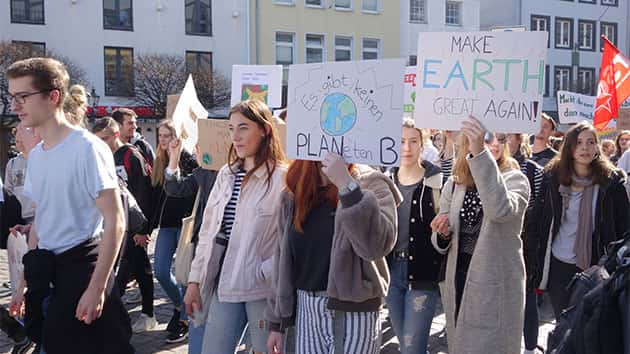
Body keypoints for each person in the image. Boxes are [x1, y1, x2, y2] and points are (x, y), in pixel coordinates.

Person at [7, 57, 132, 353]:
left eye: (23, 96)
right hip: (48, 272)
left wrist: (97, 288)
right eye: (12, 97)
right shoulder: (36, 156)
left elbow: (116, 221)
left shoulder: (88, 149)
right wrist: (25, 282)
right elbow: (42, 219)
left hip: (83, 271)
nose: (15, 106)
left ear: (53, 97)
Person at [265, 153, 399, 354]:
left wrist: (347, 186)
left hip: (356, 311)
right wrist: (277, 322)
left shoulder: (372, 183)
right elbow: (282, 261)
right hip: (307, 309)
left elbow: (376, 247)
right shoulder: (295, 190)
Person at [183, 100, 286, 354]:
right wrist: (195, 280)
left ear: (264, 130)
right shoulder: (226, 175)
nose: (235, 137)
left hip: (262, 288)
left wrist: (267, 269)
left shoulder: (283, 178)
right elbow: (208, 231)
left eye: (243, 128)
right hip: (224, 282)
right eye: (231, 129)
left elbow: (290, 238)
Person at [430, 116, 530, 354]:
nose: (495, 143)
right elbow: (440, 243)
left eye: (501, 138)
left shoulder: (516, 180)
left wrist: (479, 152)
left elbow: (499, 210)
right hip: (459, 279)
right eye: (487, 137)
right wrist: (442, 234)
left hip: (495, 285)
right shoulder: (454, 184)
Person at [529, 121, 630, 319]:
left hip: (596, 267)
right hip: (559, 264)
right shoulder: (552, 178)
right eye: (579, 142)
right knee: (563, 324)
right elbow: (537, 221)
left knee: (588, 328)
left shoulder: (612, 182)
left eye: (591, 142)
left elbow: (624, 226)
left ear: (597, 147)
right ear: (569, 147)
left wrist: (611, 264)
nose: (585, 147)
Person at [91, 117, 157, 333]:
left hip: (133, 226)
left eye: (105, 138)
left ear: (116, 135)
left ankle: (148, 314)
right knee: (119, 270)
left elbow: (144, 193)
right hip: (113, 225)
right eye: (97, 139)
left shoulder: (131, 156)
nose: (101, 143)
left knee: (141, 267)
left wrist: (143, 230)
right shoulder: (101, 157)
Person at [386, 118, 442, 354]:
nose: (406, 148)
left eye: (413, 141)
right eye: (400, 142)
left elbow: (445, 238)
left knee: (411, 349)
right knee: (405, 342)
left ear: (423, 144)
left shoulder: (436, 181)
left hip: (422, 273)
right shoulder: (385, 179)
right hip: (391, 274)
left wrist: (444, 234)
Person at [163, 138, 217, 354]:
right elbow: (175, 188)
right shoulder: (205, 172)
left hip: (235, 259)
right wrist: (174, 158)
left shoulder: (243, 172)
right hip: (203, 253)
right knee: (199, 318)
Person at [150, 119, 197, 343]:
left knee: (183, 274)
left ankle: (185, 320)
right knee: (160, 271)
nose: (162, 140)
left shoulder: (188, 159)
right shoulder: (159, 160)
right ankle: (180, 306)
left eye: (167, 136)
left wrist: (177, 161)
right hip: (166, 224)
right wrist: (146, 227)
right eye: (160, 136)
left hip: (185, 223)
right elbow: (155, 198)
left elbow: (186, 190)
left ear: (177, 137)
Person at [507, 133, 545, 354]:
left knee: (528, 300)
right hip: (494, 247)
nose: (500, 142)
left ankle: (530, 347)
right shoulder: (484, 166)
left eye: (507, 137)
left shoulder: (533, 171)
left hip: (525, 246)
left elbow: (539, 211)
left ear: (520, 139)